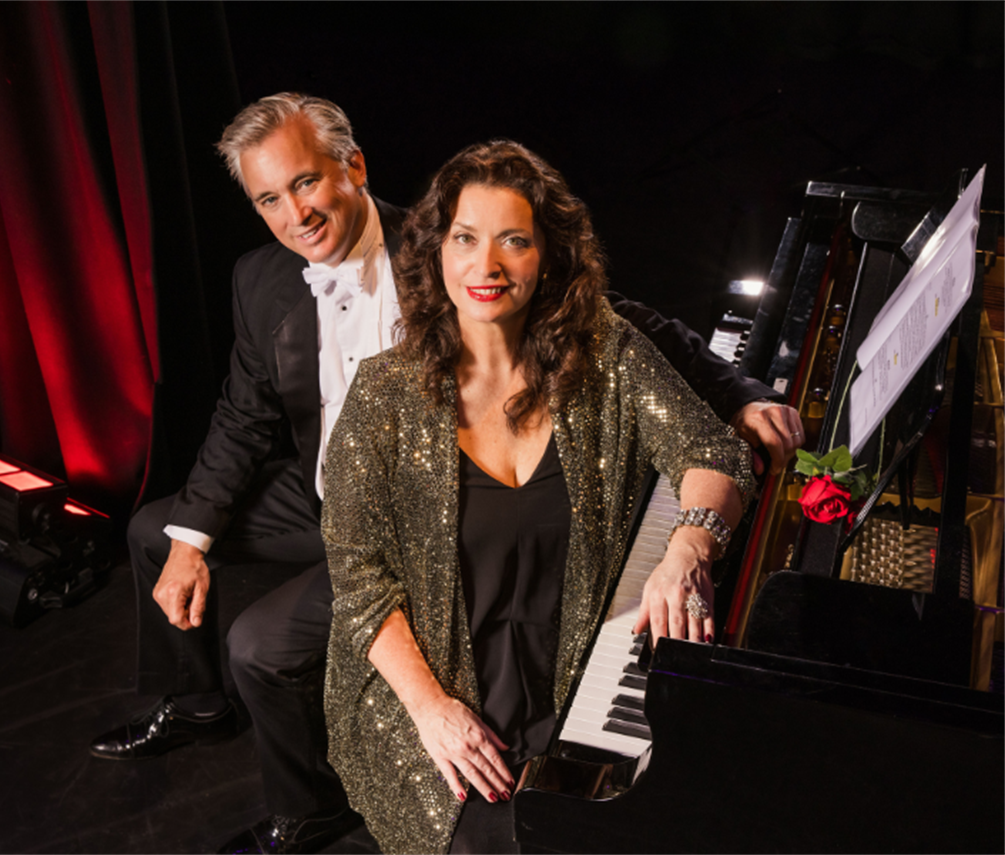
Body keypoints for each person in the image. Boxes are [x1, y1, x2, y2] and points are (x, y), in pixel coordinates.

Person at [87, 93, 802, 855]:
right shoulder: (260, 280)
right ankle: (200, 705)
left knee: (258, 646)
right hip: (324, 483)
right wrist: (193, 536)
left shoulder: (449, 243)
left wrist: (741, 393)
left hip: (424, 503)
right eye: (269, 198)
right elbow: (241, 416)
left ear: (352, 167)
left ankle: (309, 806)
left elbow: (624, 325)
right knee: (155, 531)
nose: (293, 213)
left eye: (305, 183)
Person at [321, 140, 756, 855]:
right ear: (437, 251)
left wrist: (689, 545)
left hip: (575, 671)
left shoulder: (604, 351)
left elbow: (712, 453)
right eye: (465, 238)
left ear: (549, 255)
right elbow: (358, 582)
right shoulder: (381, 396)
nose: (485, 266)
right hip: (432, 692)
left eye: (512, 241)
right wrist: (433, 711)